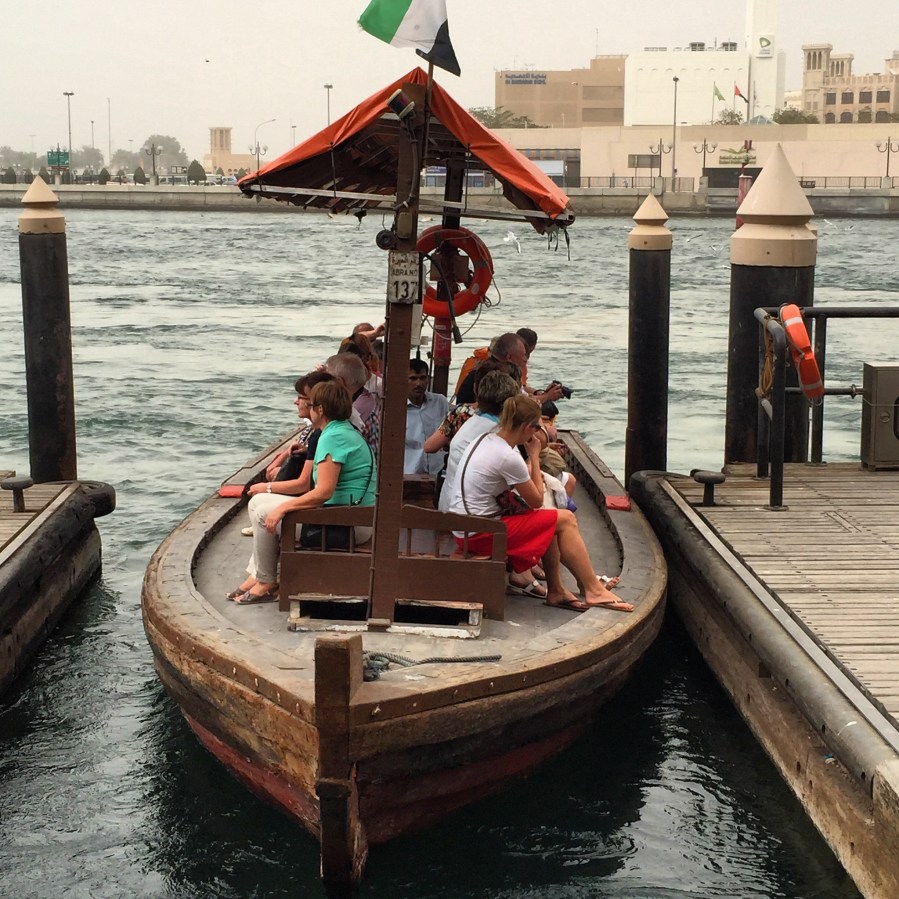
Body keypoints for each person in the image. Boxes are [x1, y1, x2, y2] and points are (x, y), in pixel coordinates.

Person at [446, 394, 633, 613]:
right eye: (536, 427)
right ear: (526, 427)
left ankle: (557, 590)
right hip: (480, 533)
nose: (537, 432)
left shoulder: (486, 439)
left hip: (465, 525)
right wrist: (534, 456)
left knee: (549, 519)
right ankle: (593, 589)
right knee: (565, 519)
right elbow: (535, 500)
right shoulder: (508, 455)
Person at [228, 380, 376, 604]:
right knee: (257, 502)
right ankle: (260, 574)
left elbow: (323, 492)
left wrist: (282, 509)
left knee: (264, 513)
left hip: (348, 523)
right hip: (343, 514)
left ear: (320, 409)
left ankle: (267, 580)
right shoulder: (340, 431)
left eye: (312, 404)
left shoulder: (332, 437)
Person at [325, 352, 380, 452]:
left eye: (327, 379)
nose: (324, 384)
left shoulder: (353, 411)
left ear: (339, 381)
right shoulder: (366, 398)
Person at [404, 358, 449, 477]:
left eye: (422, 378)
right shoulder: (396, 409)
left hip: (438, 472)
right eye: (413, 378)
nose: (418, 384)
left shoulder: (440, 402)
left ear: (428, 379)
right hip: (409, 474)